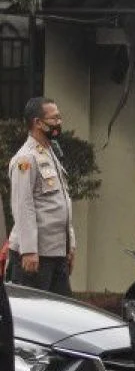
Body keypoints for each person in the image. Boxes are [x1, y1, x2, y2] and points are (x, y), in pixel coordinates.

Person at [6, 97, 75, 297]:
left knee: (62, 313)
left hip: (56, 252)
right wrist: (28, 250)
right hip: (35, 256)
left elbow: (62, 203)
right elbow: (23, 205)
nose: (59, 123)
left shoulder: (50, 153)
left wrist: (70, 245)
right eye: (54, 118)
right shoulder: (25, 158)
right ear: (38, 123)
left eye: (59, 118)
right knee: (33, 315)